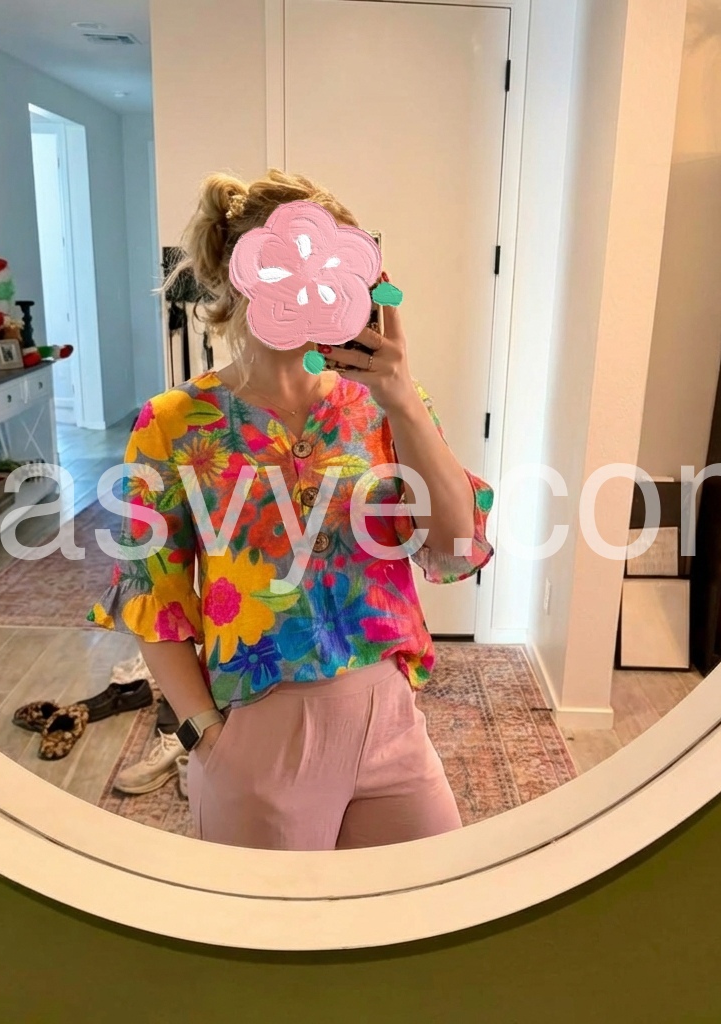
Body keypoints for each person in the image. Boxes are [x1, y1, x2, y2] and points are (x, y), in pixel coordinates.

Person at [88, 169, 494, 851]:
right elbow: (151, 597)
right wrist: (205, 737)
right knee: (274, 922)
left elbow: (455, 547)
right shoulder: (174, 423)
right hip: (260, 733)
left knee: (428, 902)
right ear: (239, 277)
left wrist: (400, 398)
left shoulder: (383, 403)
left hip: (391, 720)